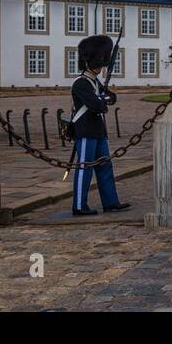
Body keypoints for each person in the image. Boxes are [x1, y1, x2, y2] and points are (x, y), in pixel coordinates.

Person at [70, 34, 129, 217]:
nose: (99, 67)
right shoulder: (80, 83)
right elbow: (96, 104)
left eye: (100, 63)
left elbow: (111, 97)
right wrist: (102, 100)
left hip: (98, 130)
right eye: (97, 64)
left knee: (105, 167)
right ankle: (79, 205)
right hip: (85, 130)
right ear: (88, 63)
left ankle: (110, 202)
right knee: (85, 168)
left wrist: (104, 98)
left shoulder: (96, 83)